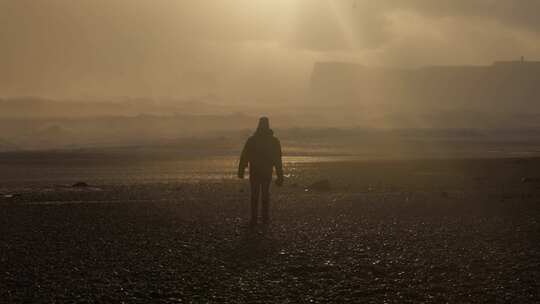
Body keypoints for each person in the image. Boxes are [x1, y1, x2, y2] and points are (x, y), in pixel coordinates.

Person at [238, 117, 284, 227]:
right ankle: (264, 218)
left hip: (256, 171)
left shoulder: (252, 140)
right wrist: (280, 175)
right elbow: (277, 159)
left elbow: (244, 156)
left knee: (255, 194)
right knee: (264, 194)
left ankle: (255, 218)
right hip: (265, 171)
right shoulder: (273, 141)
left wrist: (241, 170)